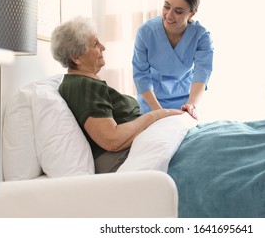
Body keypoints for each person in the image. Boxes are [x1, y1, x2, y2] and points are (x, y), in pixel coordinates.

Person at [50, 16, 183, 173]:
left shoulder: (83, 82)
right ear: (76, 58)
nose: (103, 47)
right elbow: (111, 139)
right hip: (121, 157)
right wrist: (158, 115)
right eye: (95, 44)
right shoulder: (82, 86)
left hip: (137, 146)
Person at [132, 0, 214, 120]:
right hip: (152, 100)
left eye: (178, 11)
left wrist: (191, 104)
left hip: (186, 99)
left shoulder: (202, 36)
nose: (169, 16)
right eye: (166, 7)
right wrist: (159, 112)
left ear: (192, 13)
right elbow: (141, 76)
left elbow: (202, 73)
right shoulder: (146, 32)